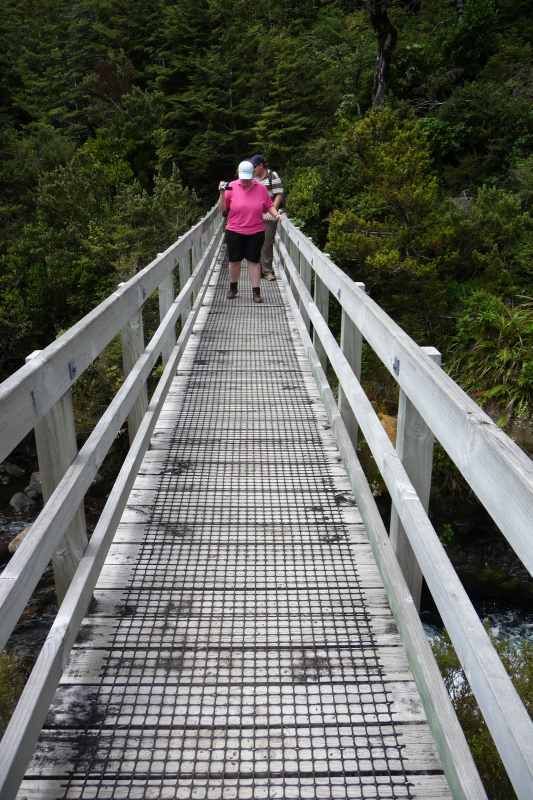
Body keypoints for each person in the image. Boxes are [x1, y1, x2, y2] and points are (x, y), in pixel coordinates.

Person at [218, 160, 282, 304]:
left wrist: (276, 215)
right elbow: (222, 211)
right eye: (243, 177)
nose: (245, 180)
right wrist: (222, 194)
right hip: (235, 230)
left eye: (248, 177)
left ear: (252, 175)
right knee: (234, 261)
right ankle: (233, 288)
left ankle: (256, 292)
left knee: (254, 261)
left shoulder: (261, 188)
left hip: (255, 230)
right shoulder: (231, 187)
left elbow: (269, 205)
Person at [250, 154, 284, 281]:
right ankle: (257, 270)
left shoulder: (272, 176)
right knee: (254, 243)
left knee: (266, 243)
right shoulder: (252, 178)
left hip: (269, 215)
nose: (253, 169)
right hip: (254, 215)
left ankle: (268, 271)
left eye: (254, 167)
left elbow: (279, 194)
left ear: (260, 165)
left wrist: (272, 211)